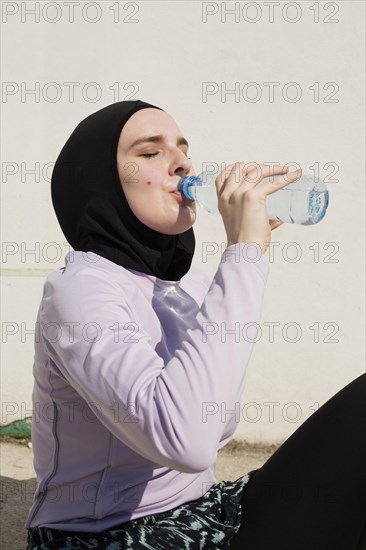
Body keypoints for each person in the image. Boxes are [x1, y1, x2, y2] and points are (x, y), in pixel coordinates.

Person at [25, 100, 365, 550]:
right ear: (101, 180)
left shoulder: (187, 284)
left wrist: (242, 257)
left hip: (203, 514)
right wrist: (246, 253)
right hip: (111, 536)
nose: (181, 161)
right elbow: (186, 441)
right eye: (150, 153)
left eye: (183, 149)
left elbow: (214, 418)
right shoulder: (80, 289)